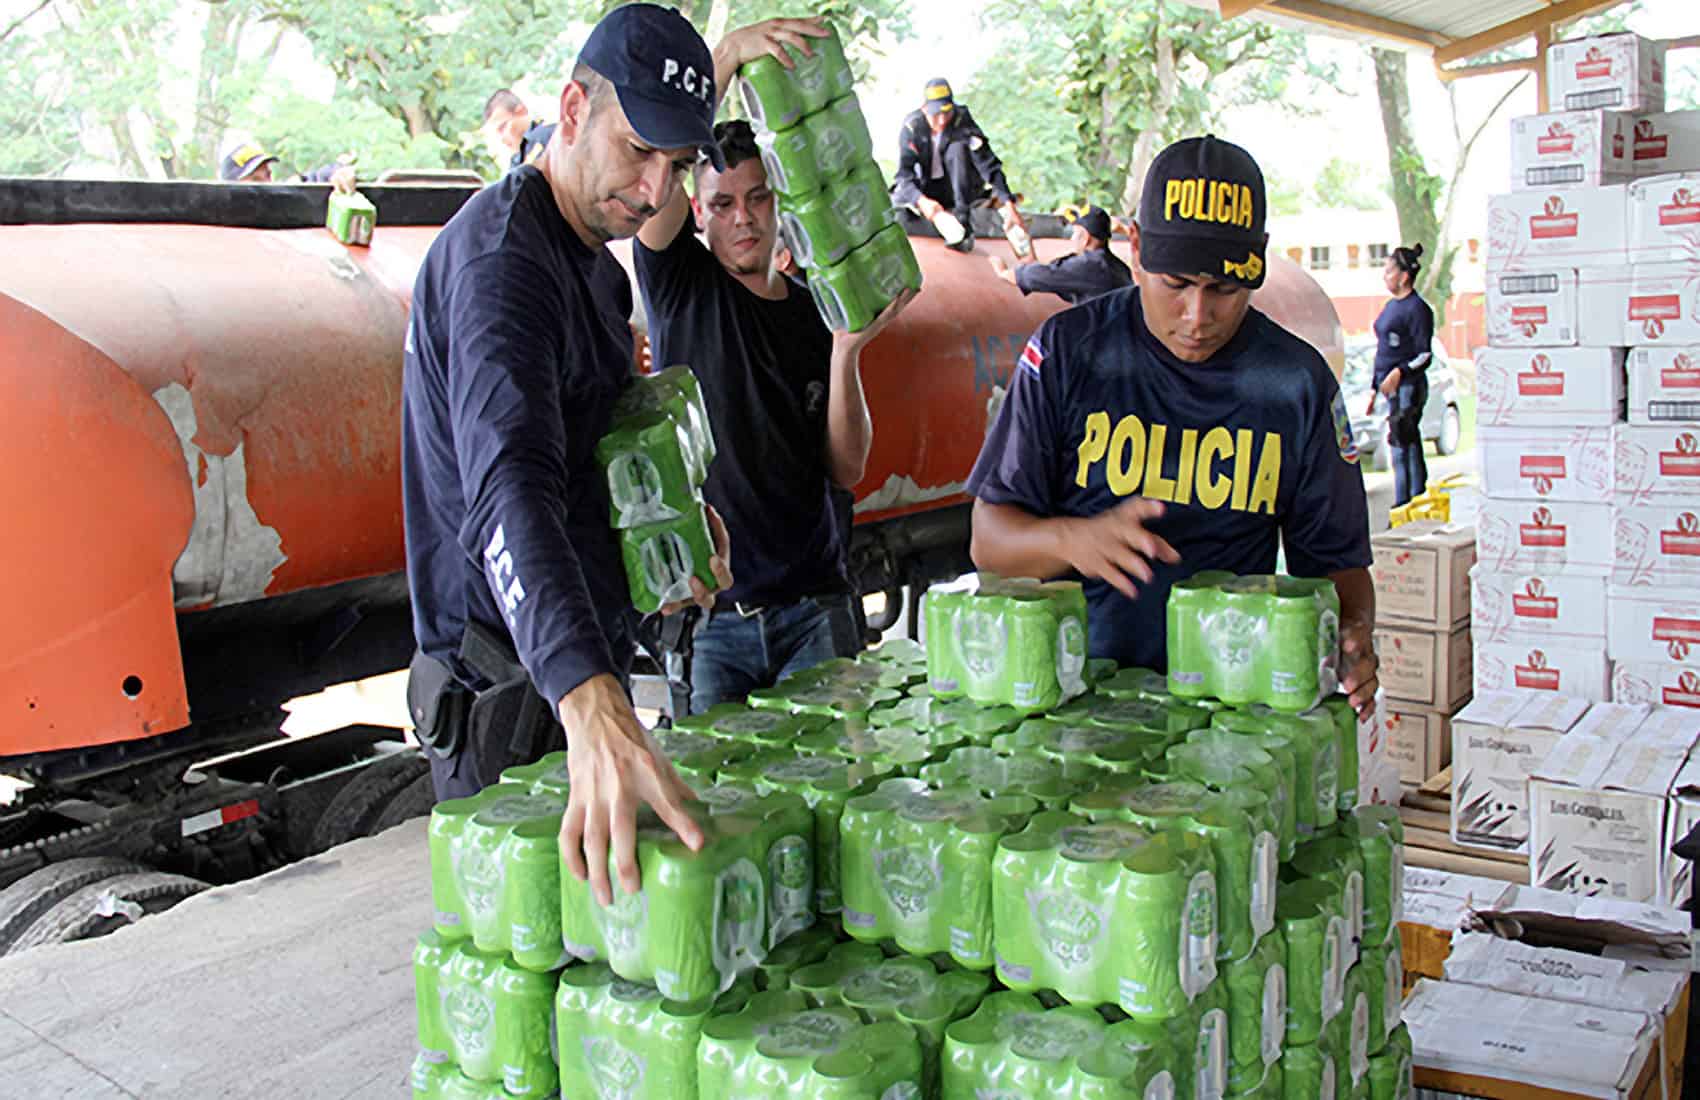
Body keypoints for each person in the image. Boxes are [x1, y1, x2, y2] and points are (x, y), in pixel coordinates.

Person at [400, 3, 737, 907]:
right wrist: (589, 701)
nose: (658, 192)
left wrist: (672, 527)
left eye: (677, 166)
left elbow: (591, 448)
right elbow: (507, 489)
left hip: (568, 668)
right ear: (573, 109)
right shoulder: (504, 267)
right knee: (530, 980)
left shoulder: (591, 257)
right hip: (509, 695)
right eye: (639, 152)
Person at [964, 135, 1380, 718]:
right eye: (1177, 285)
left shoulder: (1297, 383)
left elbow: (1336, 566)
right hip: (1079, 706)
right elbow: (989, 542)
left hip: (1234, 713)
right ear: (1136, 249)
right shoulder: (1067, 353)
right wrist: (1072, 541)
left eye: (1225, 290)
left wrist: (1355, 635)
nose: (1198, 317)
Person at [635, 88, 913, 714]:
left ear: (779, 201)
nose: (744, 217)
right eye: (723, 203)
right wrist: (728, 56)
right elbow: (657, 160)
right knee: (718, 806)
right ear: (698, 214)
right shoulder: (681, 284)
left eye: (758, 197)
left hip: (815, 608)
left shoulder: (817, 311)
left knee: (835, 792)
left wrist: (847, 352)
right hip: (714, 623)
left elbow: (846, 470)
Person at [890, 78, 1024, 253]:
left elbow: (988, 164)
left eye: (947, 112)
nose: (942, 120)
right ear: (924, 109)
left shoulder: (962, 120)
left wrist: (1008, 203)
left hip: (958, 189)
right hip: (926, 190)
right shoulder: (912, 127)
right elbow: (904, 175)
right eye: (936, 114)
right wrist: (921, 201)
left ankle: (963, 222)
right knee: (897, 206)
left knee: (958, 148)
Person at [1372, 243, 1434, 508]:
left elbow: (1424, 355)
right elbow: (1383, 349)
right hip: (1390, 389)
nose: (1385, 277)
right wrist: (1375, 387)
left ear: (1404, 276)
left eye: (1389, 271)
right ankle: (1403, 502)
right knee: (1398, 445)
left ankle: (1411, 501)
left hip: (1409, 388)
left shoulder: (1417, 309)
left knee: (1404, 442)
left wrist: (1400, 372)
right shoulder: (1389, 307)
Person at [987, 204, 1131, 304]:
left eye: (1075, 233)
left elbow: (1037, 276)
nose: (1072, 238)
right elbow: (1056, 274)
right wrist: (1030, 258)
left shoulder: (1089, 265)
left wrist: (1003, 272)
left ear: (1085, 237)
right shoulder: (1119, 268)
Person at [218, 140, 357, 192]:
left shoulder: (281, 200)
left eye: (267, 175)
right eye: (255, 180)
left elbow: (315, 179)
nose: (268, 184)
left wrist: (338, 173)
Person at [481, 88, 556, 172]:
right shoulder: (518, 160)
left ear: (521, 111)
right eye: (498, 134)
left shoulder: (550, 136)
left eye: (503, 127)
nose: (502, 139)